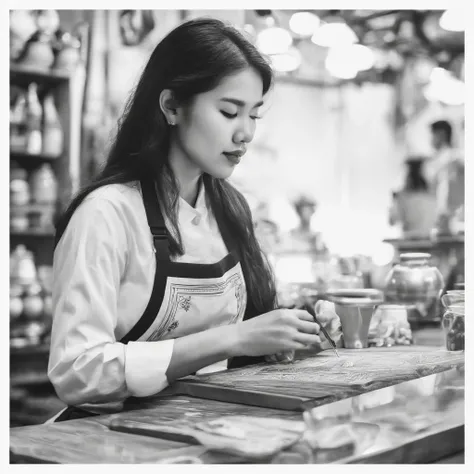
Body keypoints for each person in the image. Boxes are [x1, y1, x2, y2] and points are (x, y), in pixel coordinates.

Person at [47, 18, 339, 422]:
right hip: (108, 438)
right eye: (229, 111)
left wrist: (290, 335)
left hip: (209, 428)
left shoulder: (231, 208)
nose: (245, 134)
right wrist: (231, 339)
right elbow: (77, 372)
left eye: (253, 115)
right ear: (171, 106)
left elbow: (245, 340)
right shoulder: (107, 213)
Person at [425, 120, 464, 231]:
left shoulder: (455, 159)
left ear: (441, 134)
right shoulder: (433, 161)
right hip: (438, 219)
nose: (430, 140)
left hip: (451, 219)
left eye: (432, 135)